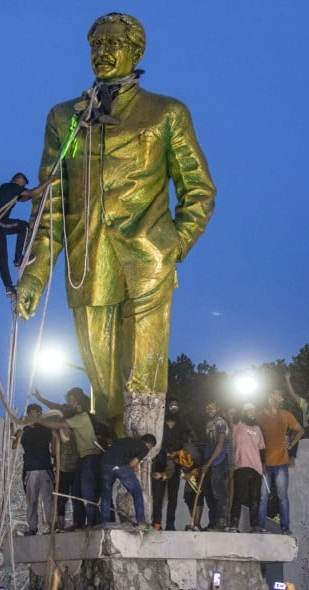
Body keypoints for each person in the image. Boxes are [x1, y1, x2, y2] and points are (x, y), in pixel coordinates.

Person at [15, 13, 217, 444]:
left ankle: (137, 487)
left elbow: (199, 190)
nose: (102, 53)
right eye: (96, 46)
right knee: (102, 386)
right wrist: (35, 273)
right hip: (87, 265)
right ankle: (106, 494)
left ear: (136, 52)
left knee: (142, 381)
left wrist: (173, 245)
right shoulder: (65, 118)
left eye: (112, 45)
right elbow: (51, 202)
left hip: (148, 264)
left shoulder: (166, 112)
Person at [35, 387, 102, 527]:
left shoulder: (81, 417)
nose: (69, 403)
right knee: (76, 492)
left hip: (89, 458)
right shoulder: (73, 414)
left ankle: (93, 523)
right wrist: (41, 399)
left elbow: (59, 424)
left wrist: (39, 420)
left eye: (71, 401)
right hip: (81, 460)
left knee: (87, 493)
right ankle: (78, 522)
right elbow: (58, 407)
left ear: (78, 403)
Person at [0, 173, 56, 297]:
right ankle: (19, 259)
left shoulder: (6, 189)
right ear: (17, 181)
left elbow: (24, 198)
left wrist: (40, 191)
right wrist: (49, 181)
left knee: (2, 256)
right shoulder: (12, 186)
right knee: (23, 226)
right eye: (23, 184)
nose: (23, 187)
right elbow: (31, 193)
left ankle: (9, 287)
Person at [256, 390, 303, 535]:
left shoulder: (286, 415)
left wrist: (291, 444)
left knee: (282, 497)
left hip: (282, 461)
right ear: (271, 398)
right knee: (262, 497)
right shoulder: (259, 415)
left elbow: (300, 430)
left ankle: (285, 528)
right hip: (264, 462)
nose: (282, 398)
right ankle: (260, 527)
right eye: (279, 395)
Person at [152, 398, 194, 531]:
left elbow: (191, 442)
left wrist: (179, 453)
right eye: (171, 406)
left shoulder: (184, 424)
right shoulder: (159, 422)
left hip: (175, 464)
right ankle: (156, 523)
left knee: (173, 497)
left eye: (176, 406)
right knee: (157, 496)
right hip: (159, 462)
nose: (173, 408)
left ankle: (170, 524)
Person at [15, 404, 56, 536]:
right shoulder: (24, 430)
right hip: (30, 469)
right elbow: (13, 446)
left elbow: (54, 443)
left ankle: (52, 526)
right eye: (32, 413)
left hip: (45, 467)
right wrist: (18, 436)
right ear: (29, 414)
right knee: (31, 500)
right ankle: (32, 527)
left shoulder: (46, 430)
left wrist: (55, 457)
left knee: (48, 499)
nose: (35, 416)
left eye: (38, 413)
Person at [99, 435, 156, 528]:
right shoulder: (144, 448)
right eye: (151, 448)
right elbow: (133, 463)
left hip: (105, 464)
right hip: (120, 466)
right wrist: (129, 471)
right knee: (137, 492)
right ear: (149, 445)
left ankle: (105, 523)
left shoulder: (126, 440)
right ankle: (141, 522)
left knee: (106, 495)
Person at [229, 403, 265, 532]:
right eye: (250, 411)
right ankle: (233, 525)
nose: (253, 413)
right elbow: (231, 412)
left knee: (255, 498)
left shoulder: (257, 429)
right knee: (238, 496)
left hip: (256, 468)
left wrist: (263, 466)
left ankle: (254, 526)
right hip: (241, 465)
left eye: (254, 411)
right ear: (244, 413)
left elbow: (261, 450)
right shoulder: (237, 425)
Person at [201, 401, 229, 531]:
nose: (209, 409)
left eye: (212, 407)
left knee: (218, 492)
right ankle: (213, 522)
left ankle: (222, 522)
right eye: (207, 407)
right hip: (208, 463)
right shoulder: (207, 423)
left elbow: (220, 444)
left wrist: (209, 462)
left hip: (217, 461)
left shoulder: (220, 422)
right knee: (209, 494)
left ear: (217, 408)